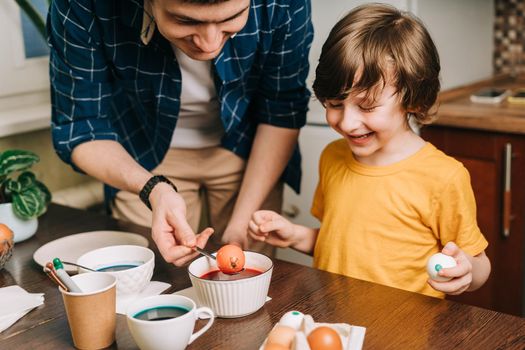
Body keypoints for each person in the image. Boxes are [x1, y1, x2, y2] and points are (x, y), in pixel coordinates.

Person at [248, 3, 491, 298]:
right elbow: (341, 247)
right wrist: (295, 236)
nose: (348, 123)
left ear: (413, 99)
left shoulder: (444, 177)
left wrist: (467, 272)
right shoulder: (333, 157)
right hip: (338, 326)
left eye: (367, 106)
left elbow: (479, 264)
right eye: (335, 104)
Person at [48, 0, 313, 266]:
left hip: (249, 147)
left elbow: (281, 109)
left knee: (249, 274)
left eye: (232, 17)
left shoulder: (285, 3)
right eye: (186, 21)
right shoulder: (82, 4)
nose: (209, 44)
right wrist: (154, 189)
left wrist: (241, 224)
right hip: (140, 153)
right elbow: (81, 127)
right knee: (152, 274)